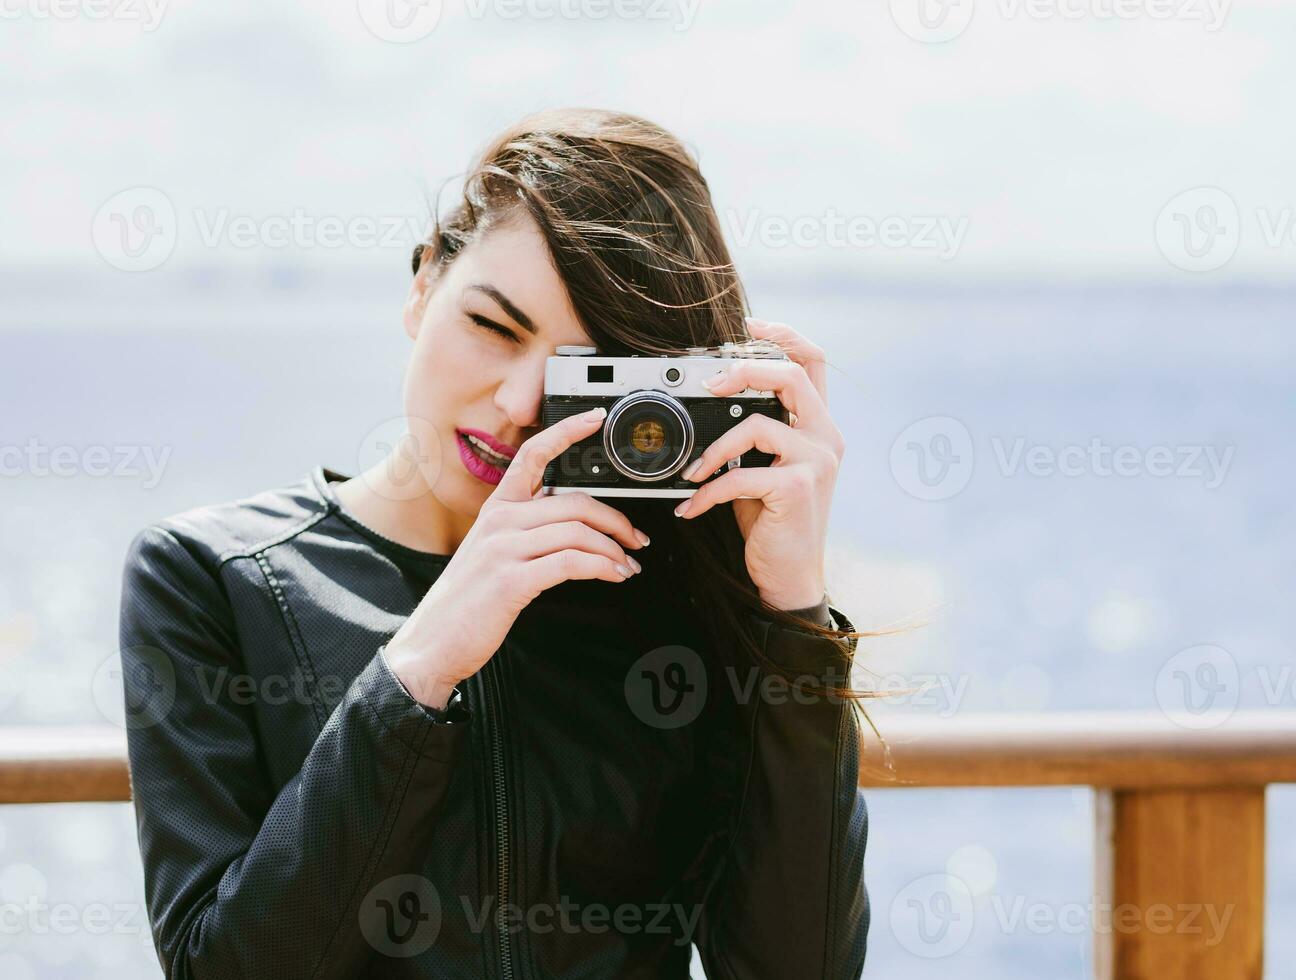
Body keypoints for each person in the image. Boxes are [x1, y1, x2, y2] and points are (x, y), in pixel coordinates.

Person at [118, 107, 871, 979]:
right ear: (422, 286)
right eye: (493, 326)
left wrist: (793, 619)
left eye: (582, 375)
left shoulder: (670, 583)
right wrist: (417, 671)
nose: (518, 405)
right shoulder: (212, 580)